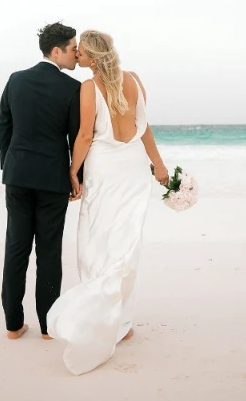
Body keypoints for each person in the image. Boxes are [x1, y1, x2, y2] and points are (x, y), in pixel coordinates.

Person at [46, 29, 169, 374]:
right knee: (126, 244)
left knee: (95, 241)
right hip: (132, 170)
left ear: (93, 58)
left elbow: (85, 135)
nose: (77, 56)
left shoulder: (88, 87)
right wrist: (157, 164)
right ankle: (123, 323)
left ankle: (99, 318)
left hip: (103, 170)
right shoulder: (135, 80)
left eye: (81, 52)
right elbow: (144, 127)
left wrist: (72, 171)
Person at [0, 22, 82, 341]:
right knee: (48, 251)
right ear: (56, 51)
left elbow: (3, 123)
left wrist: (9, 163)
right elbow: (76, 136)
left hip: (17, 175)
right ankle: (48, 327)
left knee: (16, 247)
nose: (76, 54)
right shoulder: (72, 88)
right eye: (73, 48)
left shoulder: (16, 80)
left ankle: (13, 325)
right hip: (52, 179)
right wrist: (77, 177)